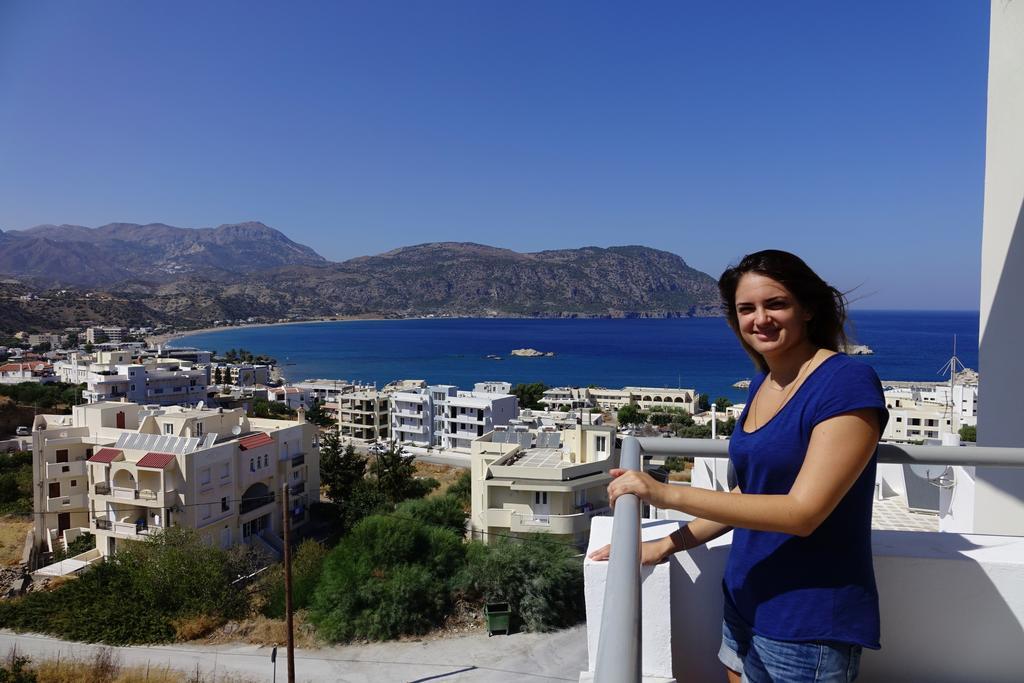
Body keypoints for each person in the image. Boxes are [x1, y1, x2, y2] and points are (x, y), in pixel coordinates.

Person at [589, 250, 888, 682]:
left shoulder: (846, 382)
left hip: (808, 619)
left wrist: (661, 491)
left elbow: (803, 514)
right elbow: (748, 495)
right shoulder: (762, 383)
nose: (760, 319)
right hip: (745, 599)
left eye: (776, 304)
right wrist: (666, 544)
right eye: (746, 309)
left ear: (807, 308)